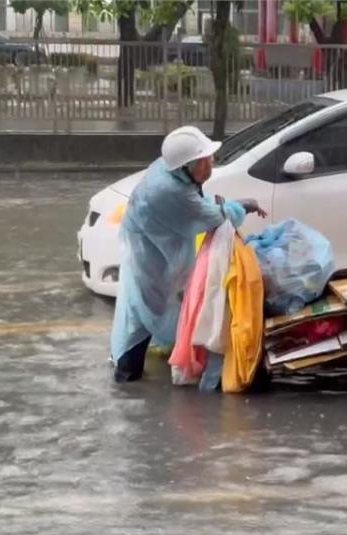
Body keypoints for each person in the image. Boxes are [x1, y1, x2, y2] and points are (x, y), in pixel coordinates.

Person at [110, 126, 265, 383]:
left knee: (151, 303)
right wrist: (242, 206)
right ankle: (127, 376)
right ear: (188, 166)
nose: (211, 164)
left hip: (152, 242)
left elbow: (199, 205)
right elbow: (210, 216)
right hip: (148, 252)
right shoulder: (170, 191)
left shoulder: (170, 169)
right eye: (206, 161)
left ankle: (145, 360)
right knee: (148, 307)